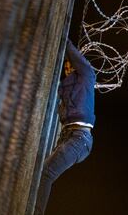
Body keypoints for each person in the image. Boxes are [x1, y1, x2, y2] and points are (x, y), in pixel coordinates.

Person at [35, 39, 96, 215]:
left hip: (80, 138)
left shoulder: (87, 75)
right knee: (42, 171)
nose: (68, 67)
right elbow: (62, 114)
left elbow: (74, 54)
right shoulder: (66, 87)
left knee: (46, 173)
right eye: (66, 66)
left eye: (70, 64)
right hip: (68, 135)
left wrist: (64, 36)